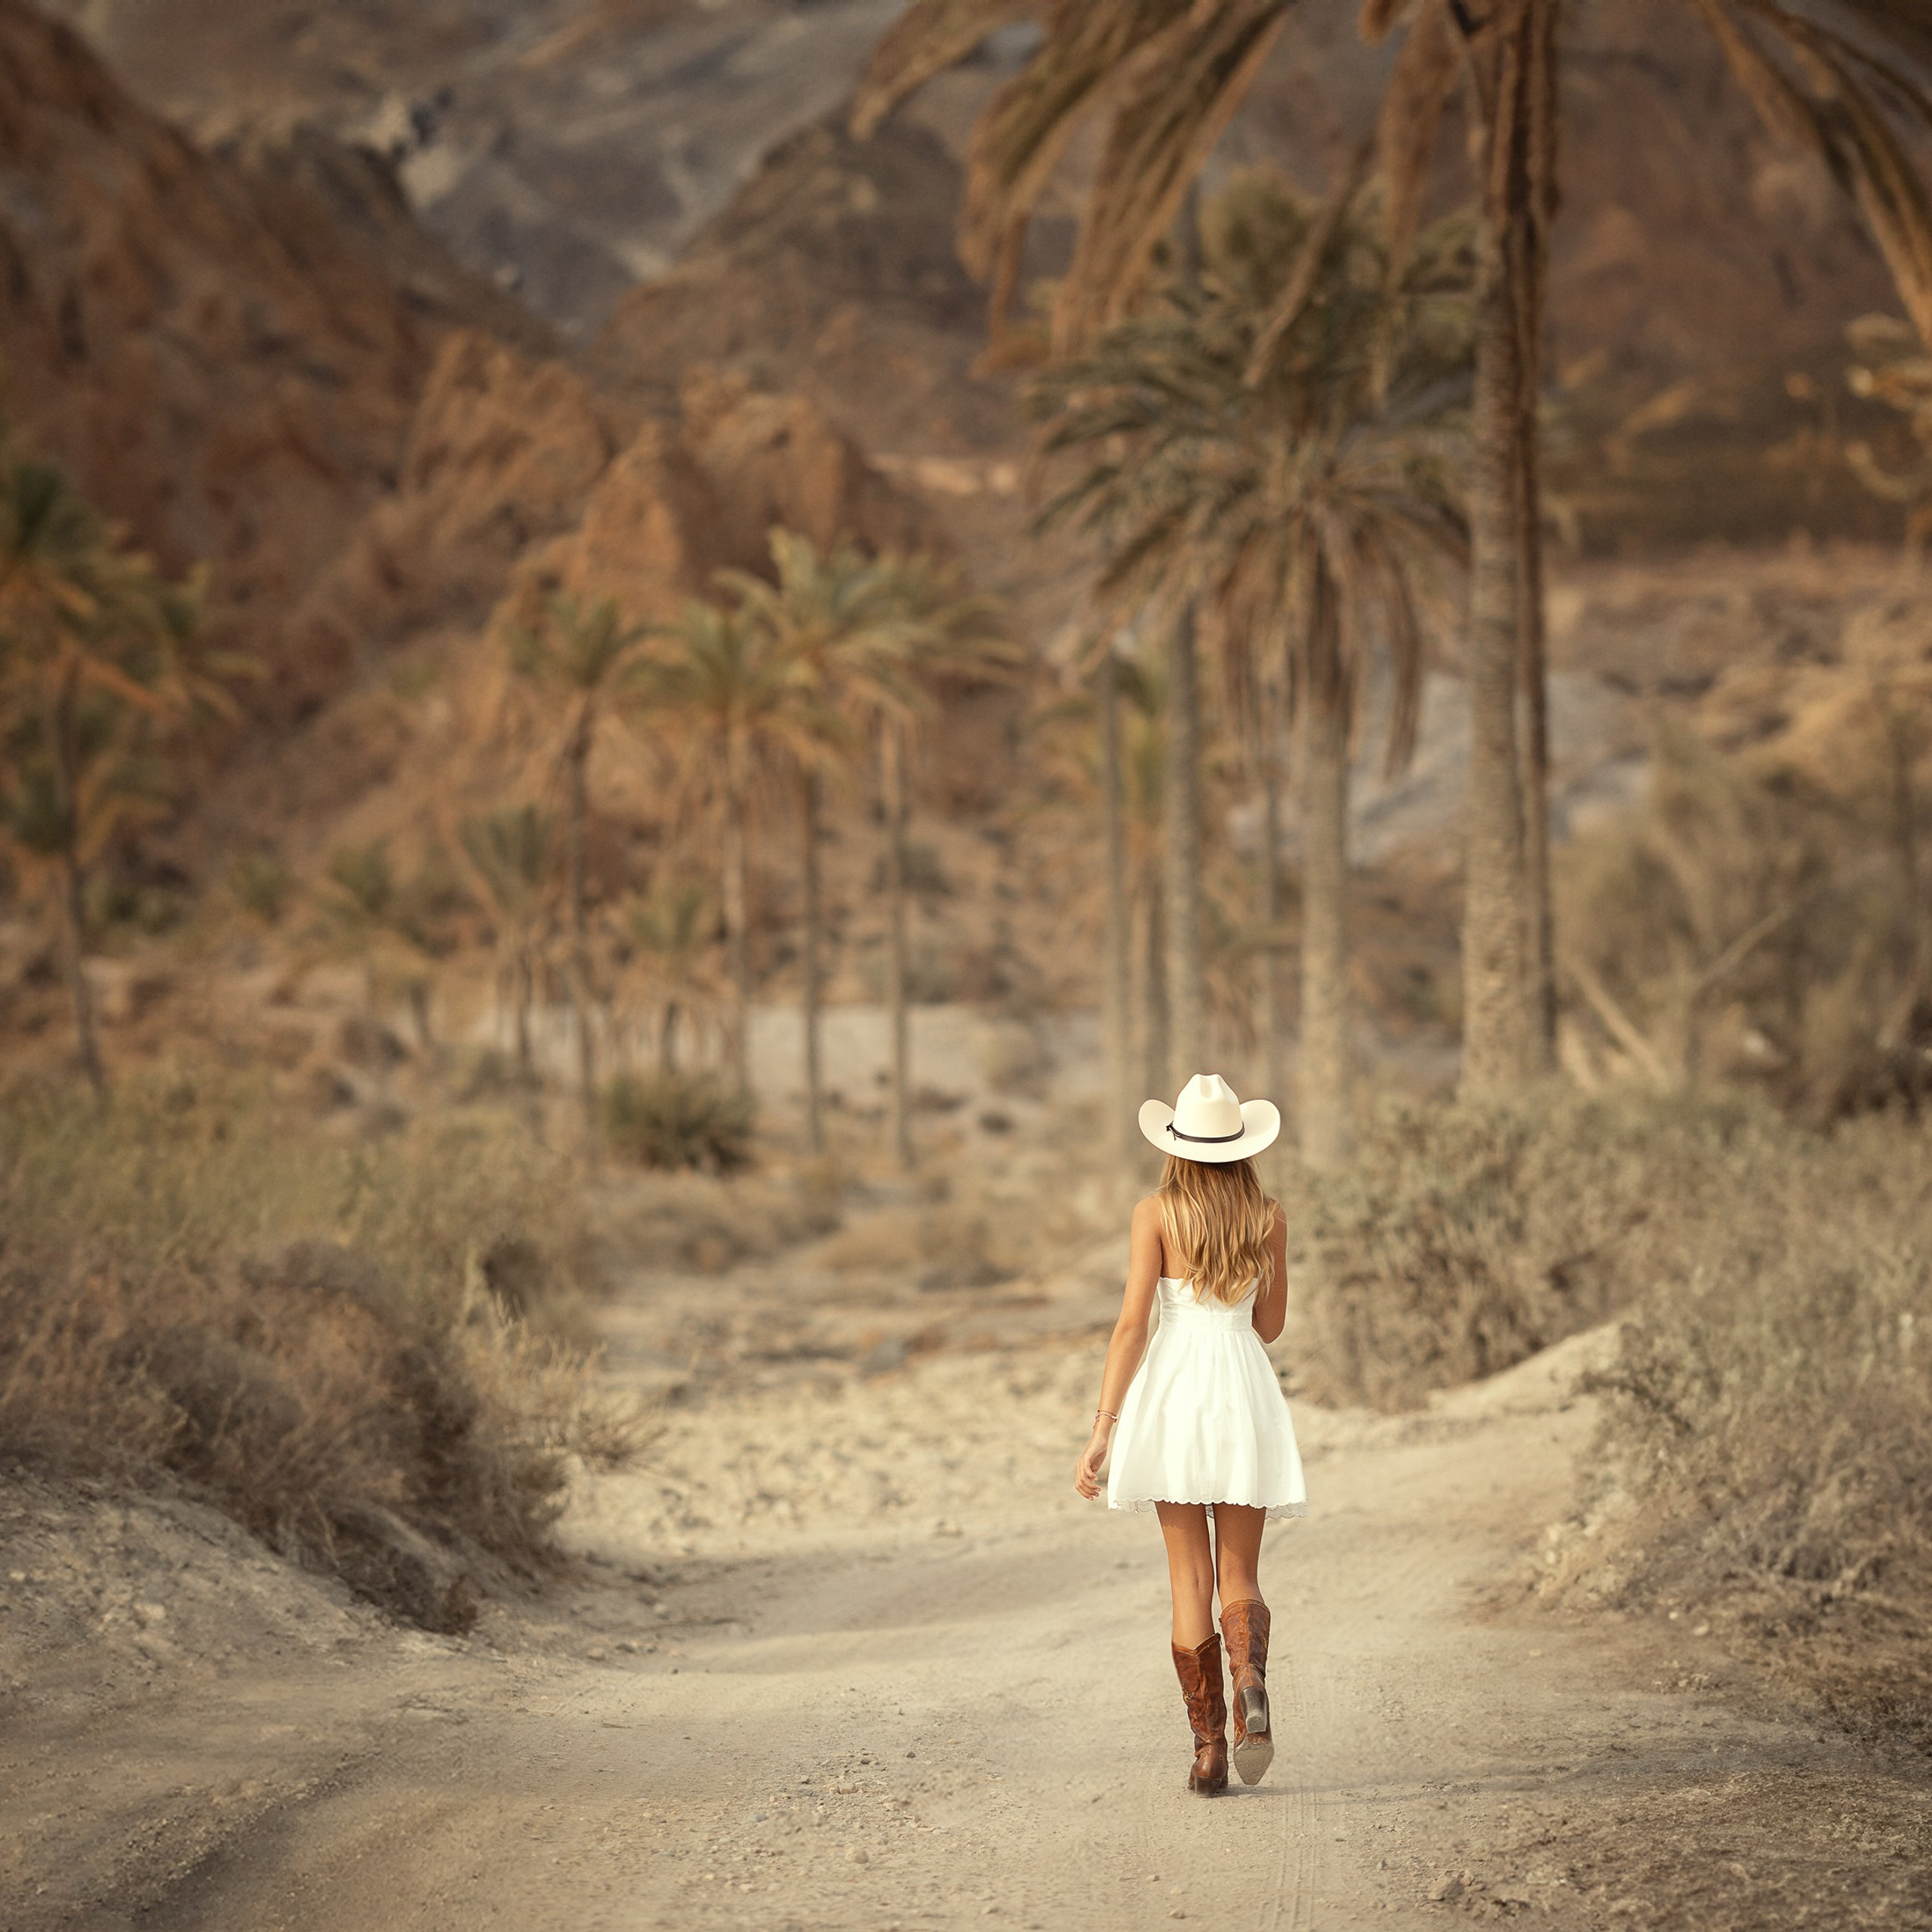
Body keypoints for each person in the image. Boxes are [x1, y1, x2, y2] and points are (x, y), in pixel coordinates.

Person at [1074, 1073, 1306, 1795]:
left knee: (1189, 1582)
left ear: (1177, 1145)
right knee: (1241, 1575)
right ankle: (1250, 1680)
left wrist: (1104, 1429)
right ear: (1242, 1146)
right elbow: (1269, 1327)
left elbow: (1130, 1327)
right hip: (1241, 1386)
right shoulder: (1267, 1215)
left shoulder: (1155, 1213)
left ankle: (1208, 1750)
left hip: (1173, 1392)